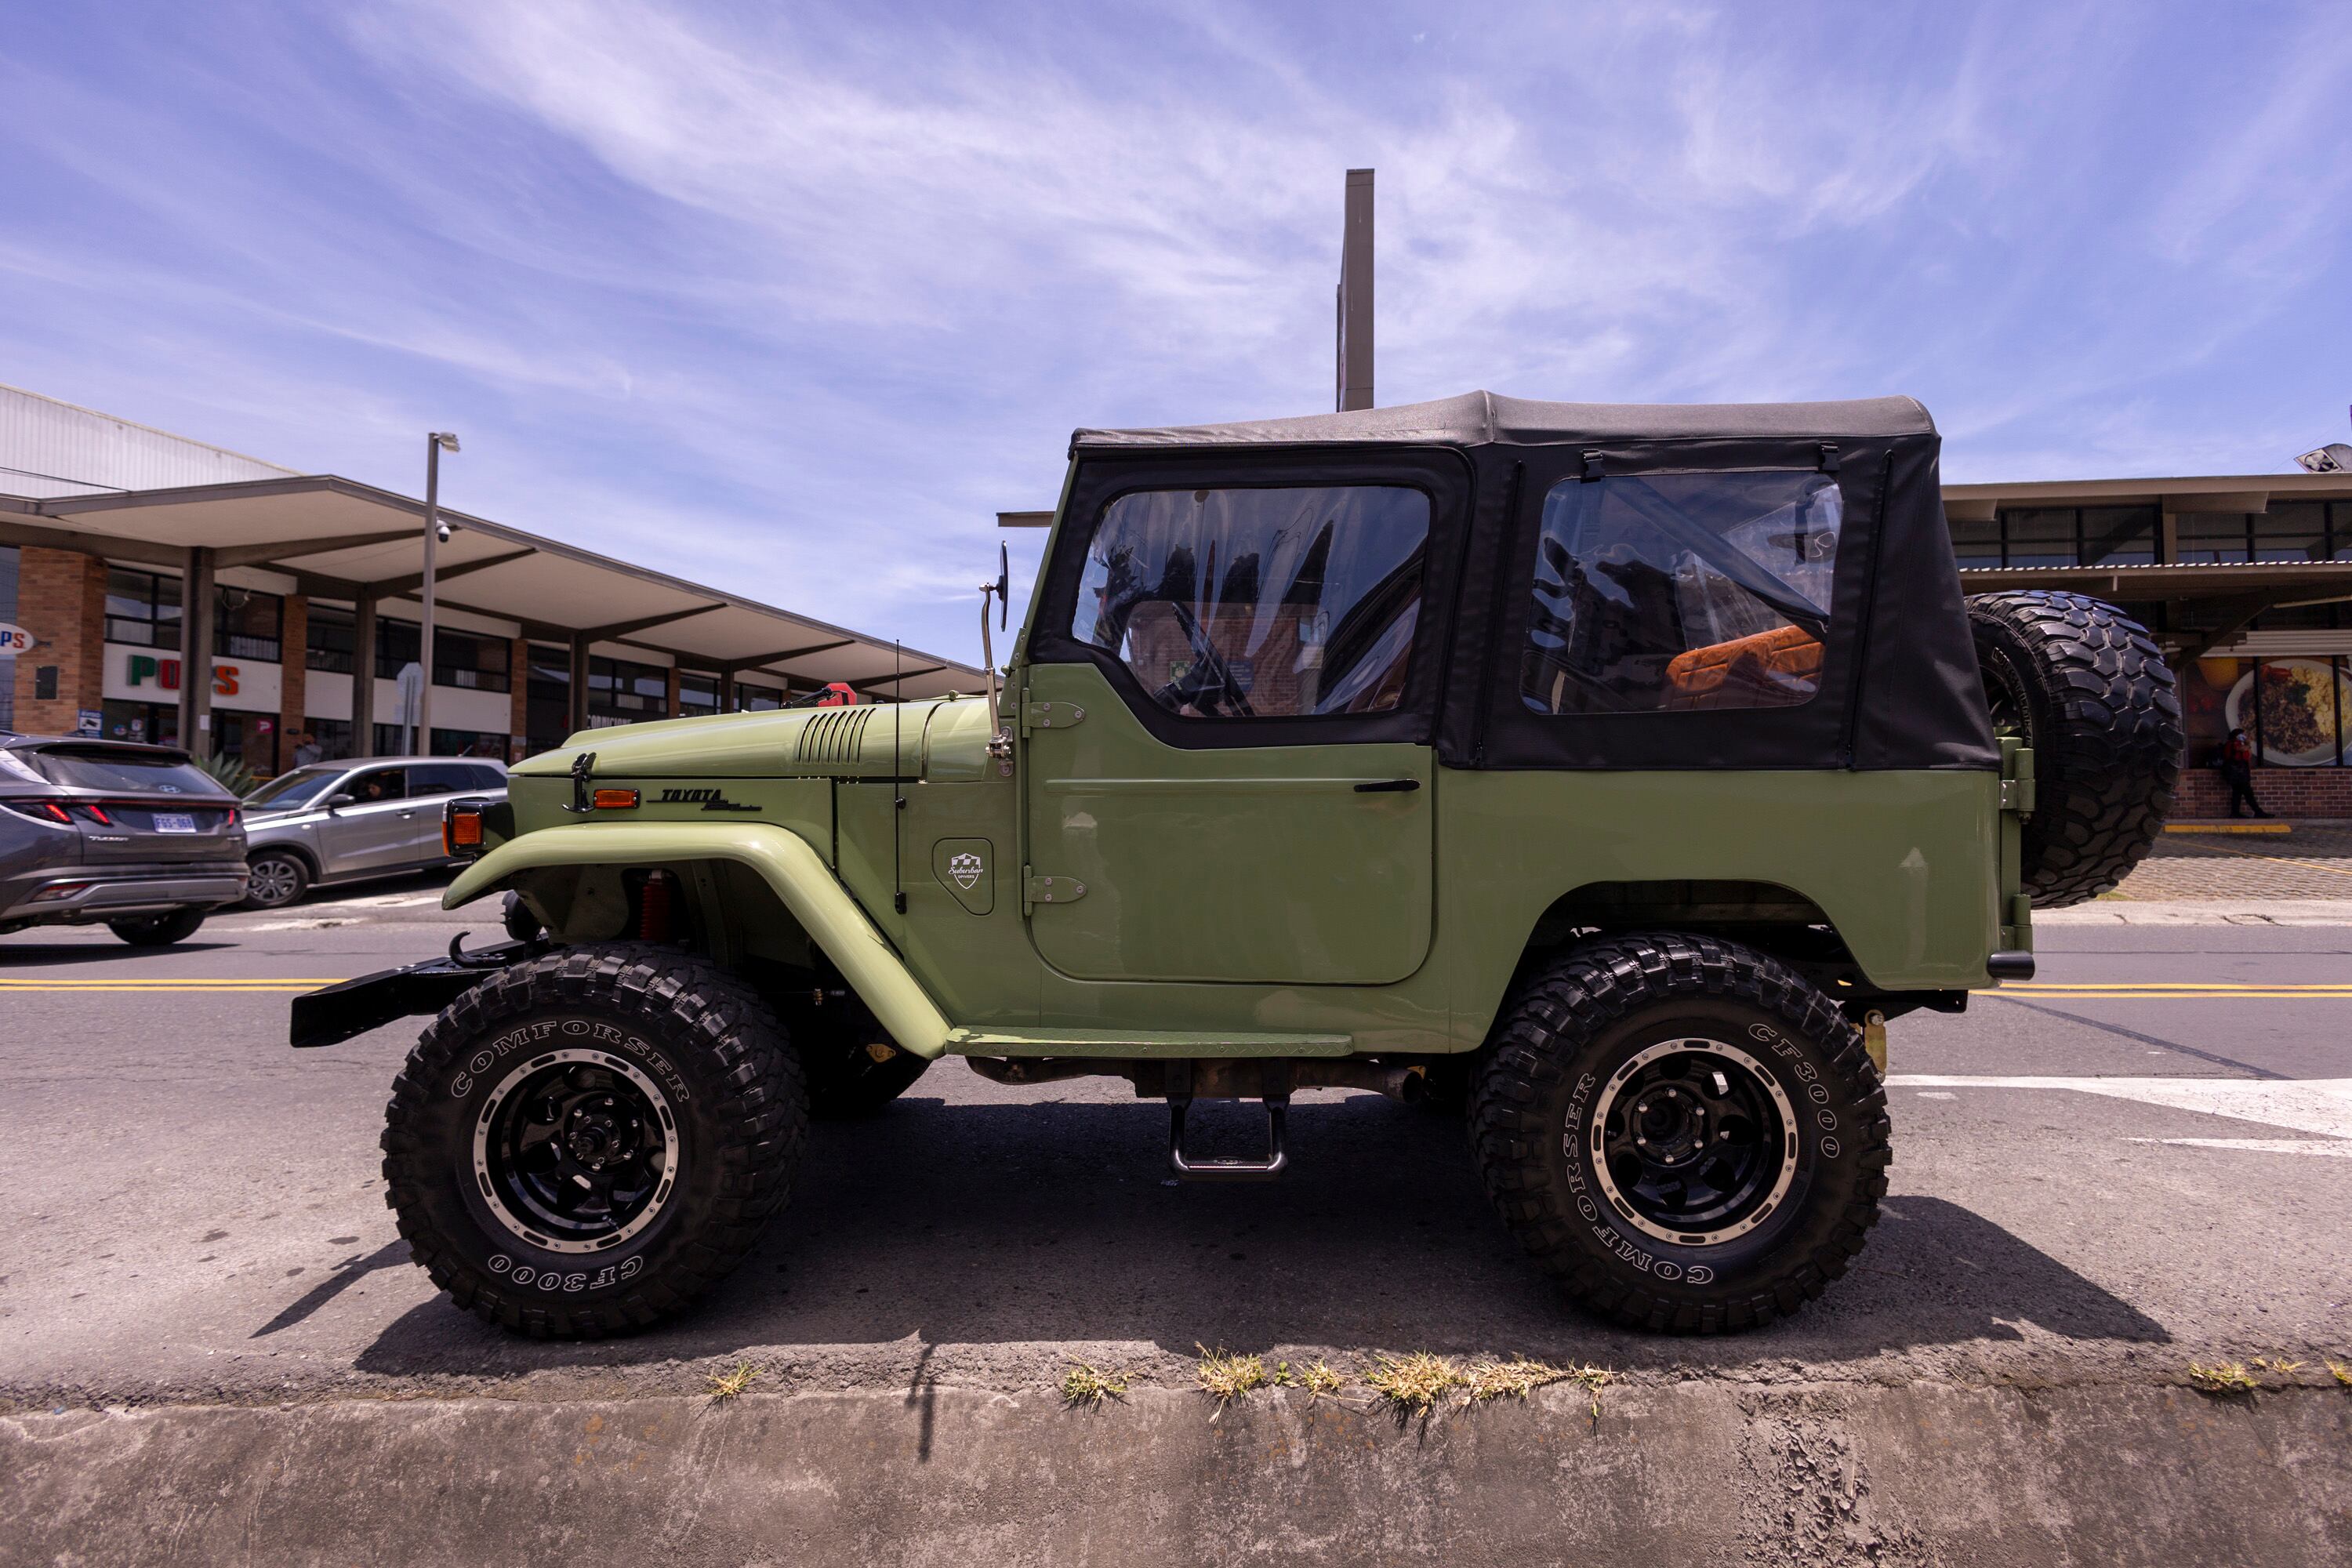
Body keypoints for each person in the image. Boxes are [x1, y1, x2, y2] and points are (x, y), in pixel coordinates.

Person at [2220, 726, 2268, 818]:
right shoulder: (2232, 744)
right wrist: (2248, 744)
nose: (2244, 736)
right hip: (2237, 773)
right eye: (2242, 734)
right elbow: (2241, 749)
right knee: (2248, 793)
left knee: (2237, 793)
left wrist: (2247, 745)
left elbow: (2248, 755)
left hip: (2241, 773)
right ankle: (2258, 811)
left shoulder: (2241, 743)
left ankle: (2235, 813)